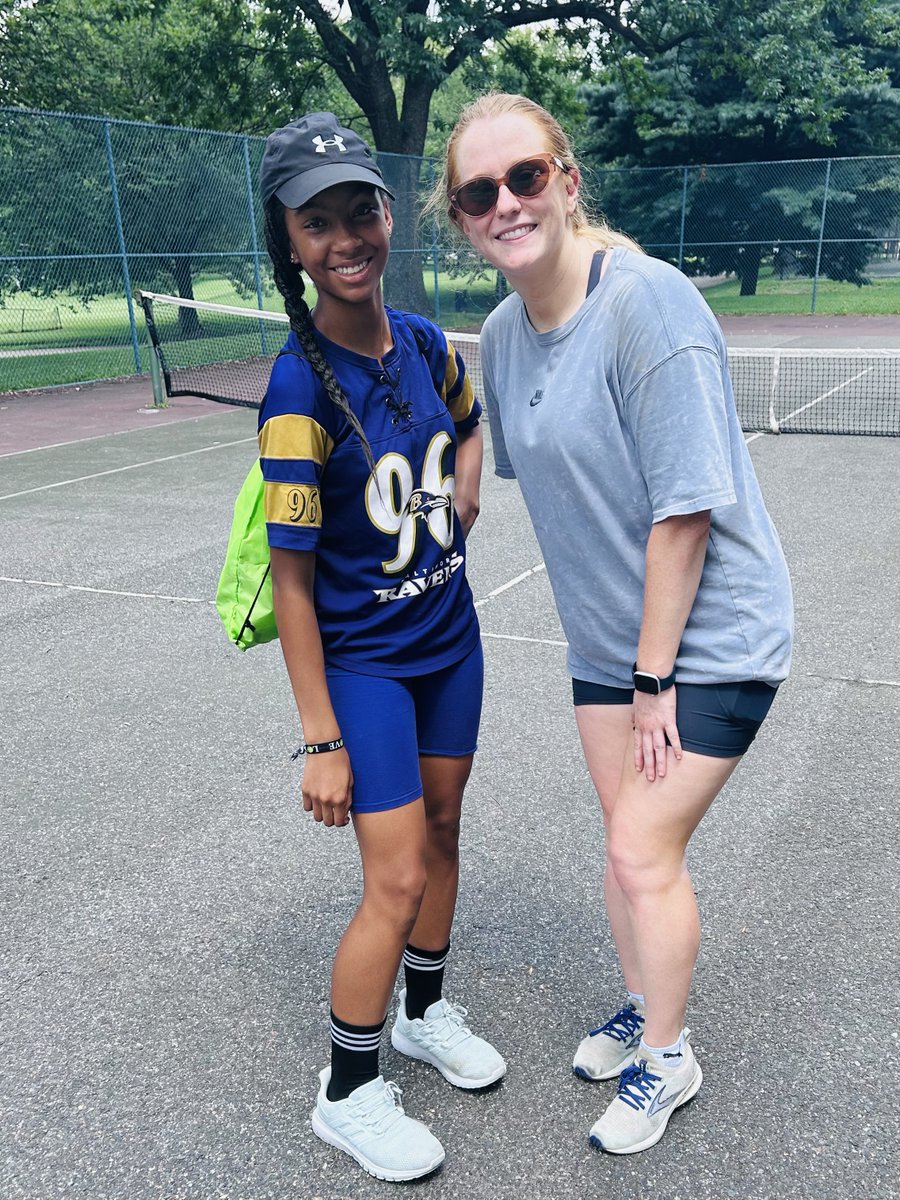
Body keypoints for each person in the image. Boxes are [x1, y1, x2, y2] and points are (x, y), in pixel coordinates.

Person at [434, 94, 793, 1156]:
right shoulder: (503, 334)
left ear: (567, 178)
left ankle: (669, 1062)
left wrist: (652, 680)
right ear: (460, 218)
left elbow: (684, 514)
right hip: (608, 643)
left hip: (711, 638)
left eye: (525, 177)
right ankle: (647, 1006)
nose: (506, 203)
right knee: (623, 845)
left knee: (644, 848)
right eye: (478, 192)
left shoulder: (650, 306)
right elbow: (512, 477)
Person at [257, 111, 505, 1183]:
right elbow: (295, 582)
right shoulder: (295, 390)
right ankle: (347, 1091)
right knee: (394, 878)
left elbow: (472, 415)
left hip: (451, 638)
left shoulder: (420, 340)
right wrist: (319, 737)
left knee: (444, 832)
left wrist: (472, 472)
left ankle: (423, 1014)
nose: (347, 235)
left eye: (362, 209)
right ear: (290, 242)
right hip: (367, 667)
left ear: (389, 214)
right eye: (321, 221)